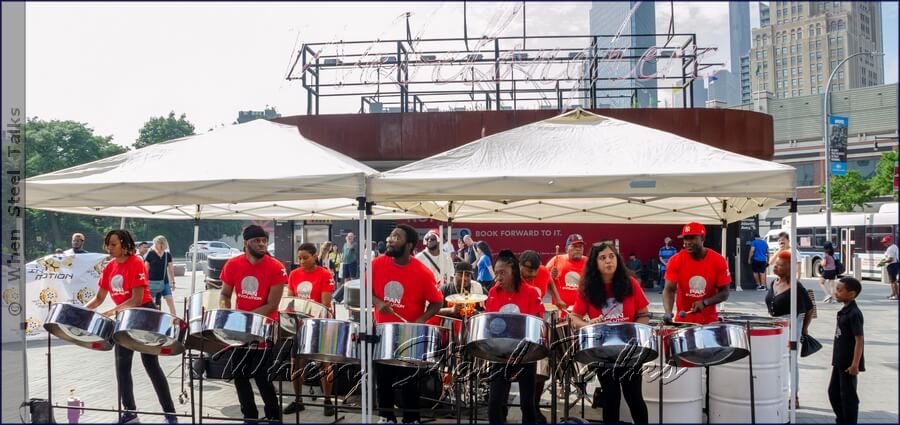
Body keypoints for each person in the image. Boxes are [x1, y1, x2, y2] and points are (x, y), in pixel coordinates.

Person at [83, 229, 177, 424]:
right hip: (123, 318)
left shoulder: (136, 262)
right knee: (122, 366)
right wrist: (81, 311)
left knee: (151, 365)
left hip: (143, 314)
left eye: (114, 244)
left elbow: (135, 299)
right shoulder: (109, 267)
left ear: (125, 245)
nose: (109, 248)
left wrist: (112, 311)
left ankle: (170, 413)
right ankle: (130, 412)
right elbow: (99, 298)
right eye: (107, 244)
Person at [569, 241, 650, 424]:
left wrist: (634, 334)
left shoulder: (631, 283)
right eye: (603, 258)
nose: (608, 261)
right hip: (603, 352)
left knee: (634, 397)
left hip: (629, 351)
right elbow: (575, 317)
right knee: (611, 398)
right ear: (595, 263)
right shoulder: (587, 288)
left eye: (612, 256)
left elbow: (644, 315)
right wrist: (589, 325)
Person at [372, 224, 443, 424]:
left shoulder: (422, 272)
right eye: (390, 235)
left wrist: (421, 320)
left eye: (396, 236)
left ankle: (411, 419)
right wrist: (377, 302)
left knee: (409, 381)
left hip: (408, 334)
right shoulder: (377, 264)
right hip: (383, 331)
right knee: (383, 380)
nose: (389, 239)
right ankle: (386, 417)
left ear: (409, 245)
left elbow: (437, 301)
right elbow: (366, 290)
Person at [218, 225, 286, 423]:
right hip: (240, 331)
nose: (262, 244)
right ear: (246, 243)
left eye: (264, 240)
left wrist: (244, 319)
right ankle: (250, 417)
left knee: (261, 377)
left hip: (263, 328)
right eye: (257, 241)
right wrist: (226, 310)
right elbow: (224, 294)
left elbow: (273, 304)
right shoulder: (233, 264)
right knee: (239, 375)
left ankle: (274, 417)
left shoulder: (276, 267)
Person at [484, 250, 544, 424]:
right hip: (500, 354)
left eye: (502, 273)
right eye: (496, 273)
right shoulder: (493, 292)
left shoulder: (531, 292)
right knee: (494, 403)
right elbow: (489, 323)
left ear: (514, 272)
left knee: (527, 404)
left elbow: (537, 323)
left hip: (525, 355)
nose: (498, 277)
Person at [283, 243, 336, 416]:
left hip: (319, 324)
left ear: (315, 256)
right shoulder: (294, 274)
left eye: (305, 258)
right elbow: (290, 300)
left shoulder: (325, 274)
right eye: (299, 258)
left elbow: (325, 303)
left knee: (324, 364)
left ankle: (328, 401)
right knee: (296, 364)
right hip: (300, 325)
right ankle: (298, 400)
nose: (301, 261)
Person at [765, 250, 813, 408]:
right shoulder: (774, 283)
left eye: (779, 265)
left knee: (791, 359)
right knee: (777, 359)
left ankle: (794, 395)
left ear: (788, 267)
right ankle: (779, 389)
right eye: (776, 265)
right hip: (775, 324)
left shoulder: (796, 286)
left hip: (791, 323)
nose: (775, 267)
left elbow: (809, 308)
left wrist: (804, 329)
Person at [661, 222, 731, 325]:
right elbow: (669, 290)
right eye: (685, 238)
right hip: (683, 322)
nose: (688, 242)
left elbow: (725, 292)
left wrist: (704, 303)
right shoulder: (675, 260)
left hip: (709, 323)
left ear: (702, 238)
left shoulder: (718, 260)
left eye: (692, 238)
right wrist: (668, 312)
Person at [828, 277, 865, 424]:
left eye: (840, 290)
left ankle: (849, 421)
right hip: (839, 361)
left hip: (848, 364)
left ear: (852, 293)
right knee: (834, 393)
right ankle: (841, 419)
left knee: (848, 396)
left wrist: (855, 364)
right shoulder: (844, 310)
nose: (836, 293)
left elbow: (859, 340)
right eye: (836, 289)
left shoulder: (854, 313)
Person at [547, 234, 588, 311]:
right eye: (574, 246)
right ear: (566, 248)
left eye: (580, 246)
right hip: (560, 310)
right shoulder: (556, 260)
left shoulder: (589, 263)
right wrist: (550, 277)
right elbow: (543, 282)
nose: (578, 249)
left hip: (583, 312)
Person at [145, 235, 177, 315]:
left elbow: (171, 269)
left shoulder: (167, 255)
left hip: (164, 282)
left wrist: (173, 282)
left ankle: (175, 320)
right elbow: (145, 270)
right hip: (151, 282)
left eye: (156, 243)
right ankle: (150, 320)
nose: (154, 245)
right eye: (154, 243)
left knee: (170, 301)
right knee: (151, 304)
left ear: (162, 244)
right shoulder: (150, 254)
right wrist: (144, 283)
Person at [879, 236, 898, 300]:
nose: (884, 244)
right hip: (895, 265)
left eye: (885, 242)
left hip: (892, 265)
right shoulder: (894, 246)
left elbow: (890, 259)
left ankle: (896, 296)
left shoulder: (890, 249)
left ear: (889, 241)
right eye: (883, 242)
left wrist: (882, 263)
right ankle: (893, 294)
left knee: (893, 281)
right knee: (892, 280)